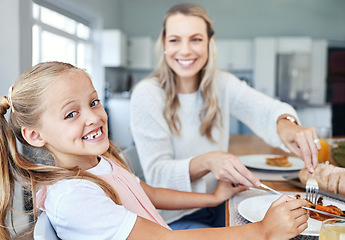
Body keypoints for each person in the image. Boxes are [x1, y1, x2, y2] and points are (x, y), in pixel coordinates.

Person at [0, 61, 308, 240]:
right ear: (35, 135)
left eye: (93, 102)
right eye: (71, 114)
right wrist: (263, 231)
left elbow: (148, 193)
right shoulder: (73, 197)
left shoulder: (97, 162)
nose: (94, 116)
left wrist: (212, 198)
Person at [130, 3, 320, 230]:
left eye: (196, 39)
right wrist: (208, 161)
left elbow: (265, 109)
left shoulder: (222, 84)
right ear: (163, 44)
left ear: (210, 42)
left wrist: (287, 125)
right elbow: (158, 175)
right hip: (172, 217)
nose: (185, 50)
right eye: (174, 40)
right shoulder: (147, 94)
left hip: (222, 201)